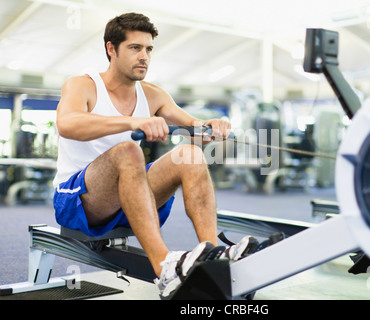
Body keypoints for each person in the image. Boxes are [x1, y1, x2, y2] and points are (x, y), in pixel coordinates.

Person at [52, 12, 257, 298]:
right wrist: (132, 122)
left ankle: (217, 257)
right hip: (78, 201)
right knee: (127, 151)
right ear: (111, 49)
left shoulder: (153, 94)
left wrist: (213, 127)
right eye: (135, 48)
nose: (144, 56)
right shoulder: (83, 85)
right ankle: (165, 267)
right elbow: (67, 124)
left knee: (189, 154)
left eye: (148, 49)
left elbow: (194, 127)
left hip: (126, 198)